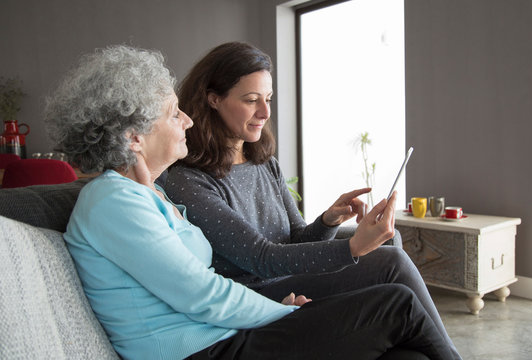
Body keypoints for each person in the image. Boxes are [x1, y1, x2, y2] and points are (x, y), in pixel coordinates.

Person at [44, 44, 457, 360]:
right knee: (398, 304)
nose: (185, 119)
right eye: (173, 114)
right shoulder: (114, 203)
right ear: (134, 137)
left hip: (219, 330)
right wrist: (281, 311)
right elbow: (203, 293)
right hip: (199, 349)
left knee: (409, 352)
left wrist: (280, 295)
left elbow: (205, 286)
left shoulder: (146, 193)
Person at [165, 41, 461, 359]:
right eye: (251, 100)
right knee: (392, 261)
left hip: (288, 278)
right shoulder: (189, 179)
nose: (265, 112)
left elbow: (295, 240)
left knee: (409, 348)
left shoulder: (264, 162)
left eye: (268, 99)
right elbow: (262, 259)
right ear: (213, 99)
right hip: (253, 294)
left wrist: (327, 221)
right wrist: (353, 248)